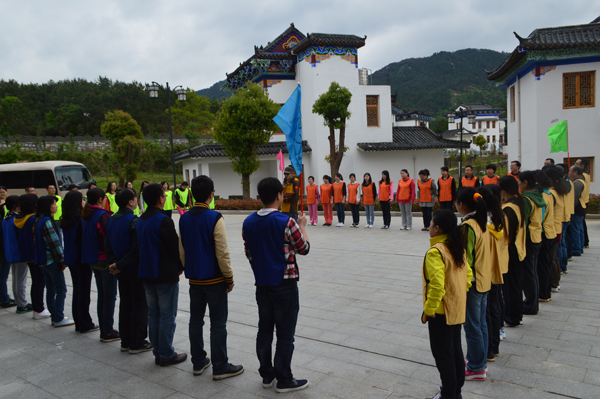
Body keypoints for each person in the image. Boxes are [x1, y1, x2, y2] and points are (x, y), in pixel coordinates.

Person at [242, 177, 310, 393]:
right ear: (279, 195)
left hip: (262, 284)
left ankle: (267, 374)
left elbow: (249, 252)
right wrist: (302, 226)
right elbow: (304, 248)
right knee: (285, 334)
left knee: (264, 331)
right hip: (285, 284)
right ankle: (284, 378)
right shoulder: (286, 222)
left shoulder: (249, 222)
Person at [180, 176, 244, 379]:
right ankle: (220, 366)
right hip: (215, 280)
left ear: (191, 194)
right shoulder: (214, 217)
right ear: (211, 194)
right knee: (218, 323)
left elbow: (181, 250)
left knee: (195, 321)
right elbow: (222, 252)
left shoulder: (184, 218)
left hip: (195, 280)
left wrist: (187, 267)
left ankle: (198, 362)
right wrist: (229, 277)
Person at [422, 209, 471, 399]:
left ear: (437, 228)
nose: (429, 226)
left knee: (444, 356)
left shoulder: (436, 252)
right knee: (455, 351)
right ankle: (455, 390)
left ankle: (449, 394)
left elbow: (436, 286)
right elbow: (467, 277)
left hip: (441, 313)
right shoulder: (457, 246)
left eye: (431, 223)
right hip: (456, 308)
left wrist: (429, 309)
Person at [137, 183, 186, 367]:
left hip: (146, 274)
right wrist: (180, 265)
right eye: (164, 196)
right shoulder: (163, 220)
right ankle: (166, 354)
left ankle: (158, 352)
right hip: (164, 274)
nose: (165, 198)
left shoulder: (141, 220)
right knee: (167, 315)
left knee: (154, 314)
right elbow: (174, 247)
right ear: (160, 198)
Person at [105, 188, 152, 354]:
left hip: (119, 270)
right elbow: (136, 248)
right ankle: (137, 342)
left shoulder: (111, 220)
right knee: (139, 305)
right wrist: (122, 264)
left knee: (125, 303)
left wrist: (114, 264)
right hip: (133, 269)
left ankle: (125, 340)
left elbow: (107, 245)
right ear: (131, 202)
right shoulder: (133, 221)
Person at [455, 187, 490, 381]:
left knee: (472, 326)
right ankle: (480, 361)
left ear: (461, 205)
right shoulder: (482, 221)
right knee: (481, 323)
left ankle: (476, 367)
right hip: (484, 279)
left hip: (473, 282)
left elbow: (466, 258)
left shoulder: (468, 226)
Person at [82, 188, 119, 342]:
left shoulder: (87, 215)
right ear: (100, 199)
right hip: (104, 260)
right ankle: (108, 331)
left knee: (102, 295)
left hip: (92, 259)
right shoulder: (103, 216)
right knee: (109, 296)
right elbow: (109, 237)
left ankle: (104, 329)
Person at [34, 196, 75, 327]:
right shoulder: (47, 222)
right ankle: (58, 317)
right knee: (61, 289)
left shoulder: (39, 220)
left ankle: (54, 315)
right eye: (54, 204)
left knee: (50, 288)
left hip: (42, 259)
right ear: (48, 206)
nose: (56, 206)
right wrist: (62, 260)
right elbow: (55, 243)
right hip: (51, 260)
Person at [61, 191, 97, 333]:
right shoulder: (79, 221)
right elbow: (82, 243)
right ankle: (84, 323)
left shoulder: (66, 220)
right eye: (82, 200)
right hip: (81, 259)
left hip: (71, 258)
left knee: (77, 290)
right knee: (83, 292)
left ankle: (79, 321)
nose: (84, 202)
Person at [478, 185, 507, 363]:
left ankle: (488, 348)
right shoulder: (498, 217)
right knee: (494, 307)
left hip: (486, 271)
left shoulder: (483, 224)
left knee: (487, 311)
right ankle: (494, 347)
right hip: (497, 268)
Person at [15, 194, 49, 319]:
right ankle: (39, 309)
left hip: (26, 254)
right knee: (39, 282)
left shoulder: (19, 218)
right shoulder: (33, 219)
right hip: (36, 254)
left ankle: (37, 308)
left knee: (36, 281)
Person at [518, 171, 546, 316]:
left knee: (528, 273)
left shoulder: (526, 199)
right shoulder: (537, 196)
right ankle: (532, 303)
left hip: (528, 237)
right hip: (536, 236)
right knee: (532, 272)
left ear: (525, 183)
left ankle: (530, 305)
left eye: (519, 182)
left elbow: (523, 220)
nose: (518, 184)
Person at [2, 196, 29, 312]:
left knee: (16, 279)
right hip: (19, 253)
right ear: (15, 206)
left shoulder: (5, 219)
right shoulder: (16, 220)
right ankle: (22, 304)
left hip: (10, 253)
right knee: (21, 280)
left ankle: (19, 302)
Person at [543, 166, 567, 293]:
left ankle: (553, 282)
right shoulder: (559, 190)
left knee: (551, 257)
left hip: (551, 227)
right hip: (557, 226)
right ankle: (555, 281)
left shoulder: (551, 193)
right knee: (554, 256)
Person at [535, 170, 556, 303]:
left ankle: (543, 293)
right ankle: (546, 292)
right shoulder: (549, 194)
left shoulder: (541, 196)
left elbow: (540, 218)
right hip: (550, 232)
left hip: (543, 233)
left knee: (541, 265)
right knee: (546, 264)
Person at [0, 194, 16, 309]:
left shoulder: (4, 220)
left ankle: (4, 296)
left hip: (4, 251)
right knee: (2, 276)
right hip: (2, 252)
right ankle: (4, 299)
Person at [567, 165, 586, 258]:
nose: (569, 172)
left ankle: (576, 249)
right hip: (582, 208)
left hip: (577, 209)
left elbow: (575, 198)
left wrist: (571, 209)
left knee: (575, 230)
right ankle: (580, 247)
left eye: (570, 171)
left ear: (575, 172)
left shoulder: (577, 183)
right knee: (579, 229)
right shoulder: (581, 180)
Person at [575, 158, 590, 249]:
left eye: (576, 163)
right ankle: (584, 242)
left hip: (581, 202)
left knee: (578, 226)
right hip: (585, 201)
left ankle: (579, 245)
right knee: (581, 225)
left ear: (582, 166)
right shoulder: (587, 175)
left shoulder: (582, 177)